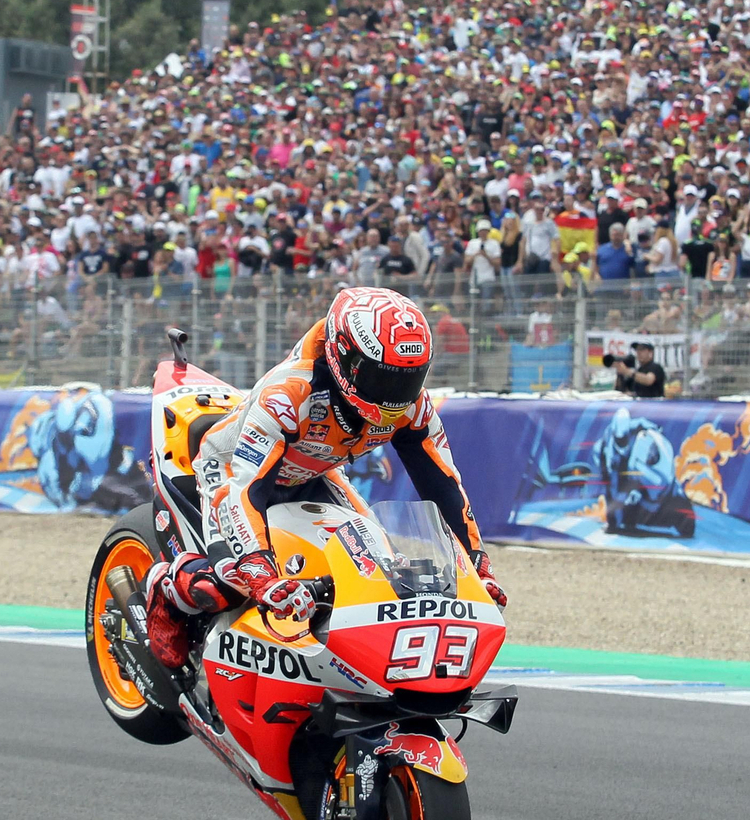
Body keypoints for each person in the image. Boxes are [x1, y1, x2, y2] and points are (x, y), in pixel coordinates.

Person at [143, 286, 507, 669]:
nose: (395, 396)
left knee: (381, 569)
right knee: (231, 580)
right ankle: (167, 589)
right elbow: (245, 486)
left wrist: (479, 565)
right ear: (343, 356)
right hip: (234, 469)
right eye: (383, 378)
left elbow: (444, 484)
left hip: (315, 472)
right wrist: (260, 571)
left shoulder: (413, 407)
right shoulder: (289, 392)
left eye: (408, 379)